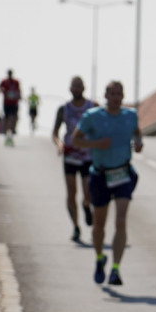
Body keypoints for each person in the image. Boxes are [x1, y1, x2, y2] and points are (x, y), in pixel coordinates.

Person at [71, 80, 142, 286]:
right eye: (112, 93)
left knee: (120, 220)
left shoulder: (130, 115)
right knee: (99, 224)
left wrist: (138, 143)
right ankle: (100, 257)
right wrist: (96, 144)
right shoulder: (92, 117)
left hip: (123, 174)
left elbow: (136, 131)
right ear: (105, 95)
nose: (116, 98)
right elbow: (76, 140)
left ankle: (116, 269)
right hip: (100, 175)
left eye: (119, 94)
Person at [51, 77, 98, 242]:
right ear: (70, 88)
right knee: (71, 193)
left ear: (83, 87)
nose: (76, 89)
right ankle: (76, 227)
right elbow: (55, 132)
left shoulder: (92, 107)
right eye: (74, 86)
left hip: (87, 156)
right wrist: (59, 144)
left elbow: (102, 127)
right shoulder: (64, 109)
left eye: (79, 86)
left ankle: (86, 206)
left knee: (88, 193)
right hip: (70, 155)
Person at [0, 69, 21, 143]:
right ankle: (5, 131)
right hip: (7, 102)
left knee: (14, 117)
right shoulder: (4, 81)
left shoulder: (16, 81)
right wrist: (3, 90)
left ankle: (12, 129)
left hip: (14, 102)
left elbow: (19, 90)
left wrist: (19, 96)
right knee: (6, 117)